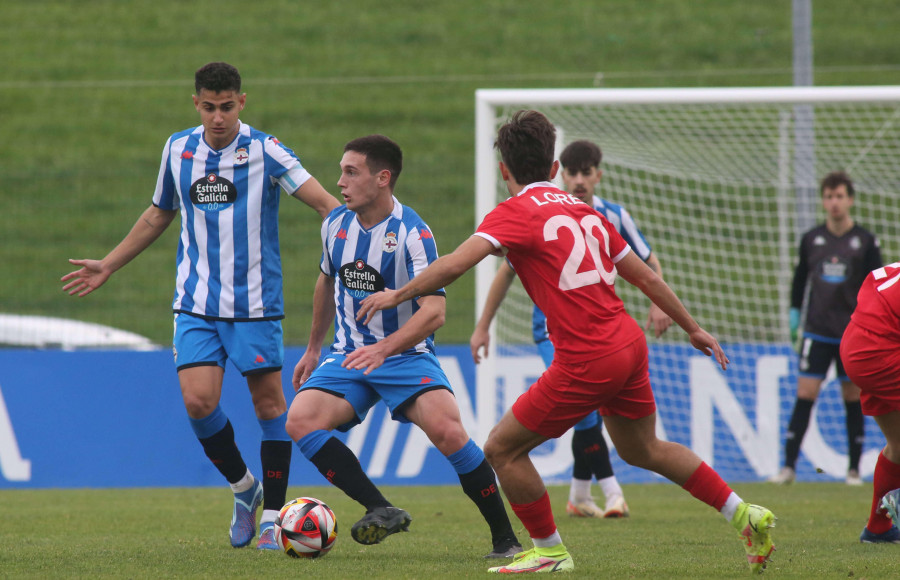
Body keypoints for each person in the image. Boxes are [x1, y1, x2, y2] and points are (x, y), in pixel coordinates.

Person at [357, 110, 776, 574]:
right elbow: (643, 276)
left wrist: (398, 293)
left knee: (500, 449)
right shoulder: (587, 213)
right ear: (555, 168)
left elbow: (456, 263)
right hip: (629, 345)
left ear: (504, 171)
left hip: (587, 356)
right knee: (644, 448)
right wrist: (692, 327)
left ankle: (551, 551)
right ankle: (744, 513)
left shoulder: (513, 213)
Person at [61, 62, 339, 550]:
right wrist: (109, 264)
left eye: (227, 106)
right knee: (198, 401)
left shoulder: (266, 150)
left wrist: (351, 249)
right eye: (209, 107)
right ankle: (244, 490)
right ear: (196, 104)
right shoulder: (177, 149)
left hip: (255, 303)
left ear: (242, 102)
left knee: (269, 405)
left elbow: (325, 205)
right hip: (195, 302)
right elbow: (158, 213)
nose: (218, 117)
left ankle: (273, 516)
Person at [286, 134, 522, 559]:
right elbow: (326, 280)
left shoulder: (414, 233)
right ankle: (381, 508)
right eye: (341, 170)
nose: (339, 181)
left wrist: (385, 349)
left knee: (450, 432)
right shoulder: (334, 225)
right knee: (300, 420)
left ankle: (505, 540)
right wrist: (313, 348)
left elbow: (434, 312)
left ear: (382, 178)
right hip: (350, 355)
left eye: (350, 172)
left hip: (406, 356)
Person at [470, 139, 672, 519]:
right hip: (551, 329)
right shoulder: (542, 214)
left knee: (591, 414)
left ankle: (580, 494)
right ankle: (613, 493)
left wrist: (659, 304)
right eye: (572, 173)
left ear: (599, 175)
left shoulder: (612, 215)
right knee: (587, 414)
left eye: (586, 172)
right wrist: (483, 326)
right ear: (559, 173)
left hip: (601, 332)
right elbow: (505, 272)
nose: (579, 180)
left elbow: (648, 263)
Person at [769, 171, 882, 485]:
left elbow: (877, 286)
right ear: (823, 200)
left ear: (850, 199)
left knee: (852, 397)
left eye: (840, 196)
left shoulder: (866, 241)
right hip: (816, 330)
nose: (834, 203)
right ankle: (788, 467)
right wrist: (794, 315)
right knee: (805, 394)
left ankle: (854, 470)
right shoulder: (811, 239)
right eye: (829, 196)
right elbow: (800, 280)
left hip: (852, 333)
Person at [841, 261, 900, 543]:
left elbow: (873, 282)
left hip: (859, 341)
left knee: (898, 444)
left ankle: (878, 529)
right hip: (880, 350)